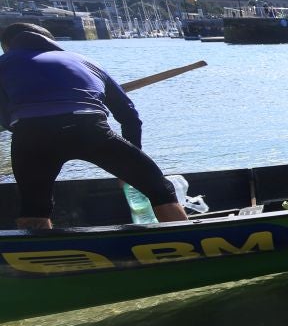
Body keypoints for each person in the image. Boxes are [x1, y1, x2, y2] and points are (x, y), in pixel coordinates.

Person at [0, 22, 188, 230]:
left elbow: (6, 120)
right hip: (87, 128)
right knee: (160, 189)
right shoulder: (87, 62)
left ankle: (39, 255)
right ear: (52, 42)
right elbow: (129, 115)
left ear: (7, 46)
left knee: (34, 206)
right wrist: (128, 167)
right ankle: (186, 241)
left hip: (30, 135)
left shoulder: (4, 63)